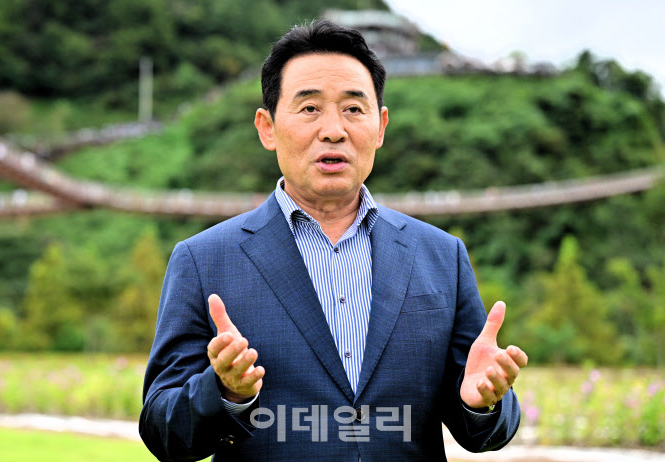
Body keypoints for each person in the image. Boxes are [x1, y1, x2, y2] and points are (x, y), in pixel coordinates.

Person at [140, 20, 528, 461]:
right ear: (267, 128)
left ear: (380, 127)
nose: (333, 130)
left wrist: (482, 403)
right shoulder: (203, 260)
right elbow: (161, 429)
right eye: (309, 108)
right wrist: (225, 392)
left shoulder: (441, 256)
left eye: (353, 109)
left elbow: (482, 424)